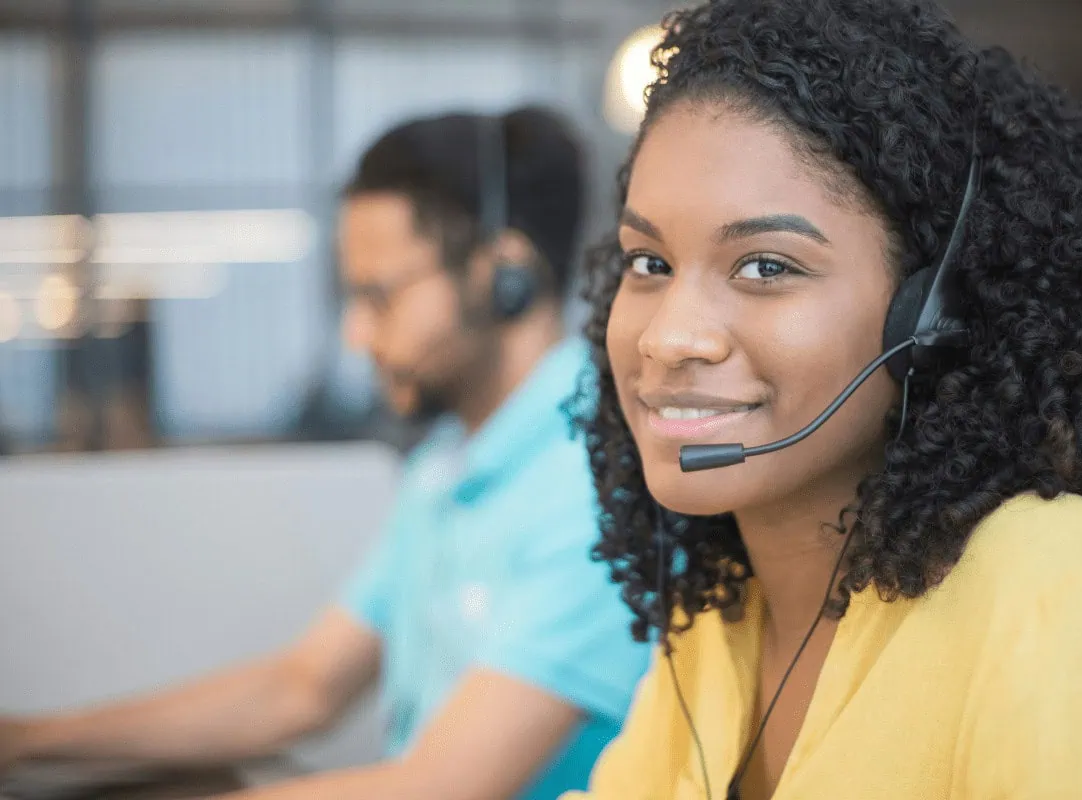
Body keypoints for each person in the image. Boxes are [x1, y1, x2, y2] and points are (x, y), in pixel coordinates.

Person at [563, 1, 1082, 798]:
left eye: (765, 267)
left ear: (932, 319)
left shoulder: (1041, 573)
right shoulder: (722, 617)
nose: (666, 338)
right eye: (648, 262)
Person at [0, 106, 649, 800]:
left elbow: (438, 786)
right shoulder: (449, 463)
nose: (357, 334)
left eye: (379, 295)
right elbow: (303, 688)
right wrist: (28, 742)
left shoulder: (594, 484)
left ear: (504, 275)